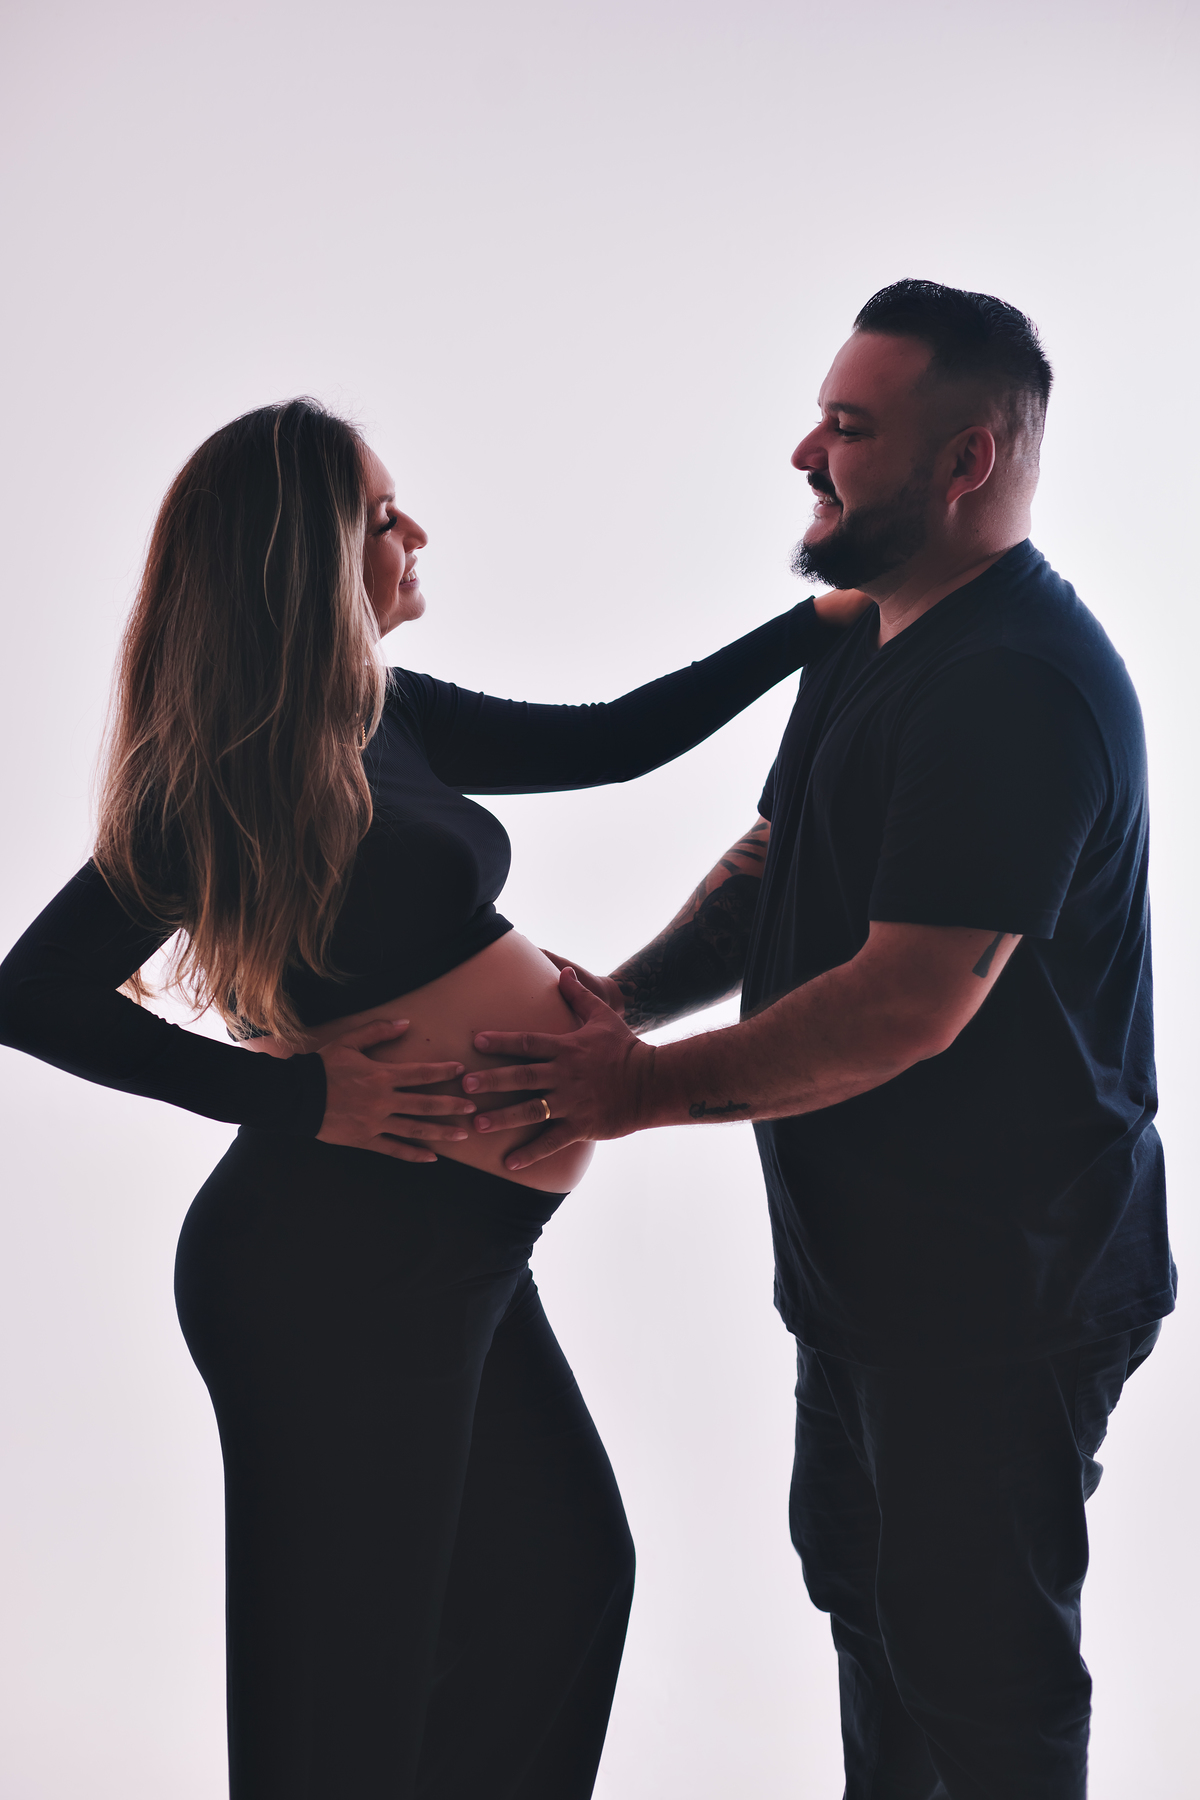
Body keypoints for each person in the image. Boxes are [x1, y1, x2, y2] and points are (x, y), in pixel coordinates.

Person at [0, 399, 869, 1798]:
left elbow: (615, 739)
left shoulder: (386, 717)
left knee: (559, 1583)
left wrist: (817, 624)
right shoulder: (228, 775)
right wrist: (296, 1100)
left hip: (453, 1249)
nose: (415, 532)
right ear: (303, 556)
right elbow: (30, 994)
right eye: (379, 514)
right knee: (345, 1686)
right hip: (332, 1259)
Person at [460, 281, 1176, 1799]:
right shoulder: (875, 626)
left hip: (1002, 1290)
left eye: (850, 428)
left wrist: (632, 1092)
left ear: (968, 460)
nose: (806, 453)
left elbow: (909, 1001)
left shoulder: (1014, 685)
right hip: (867, 1276)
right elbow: (783, 857)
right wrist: (623, 1001)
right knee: (875, 1622)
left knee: (981, 1684)